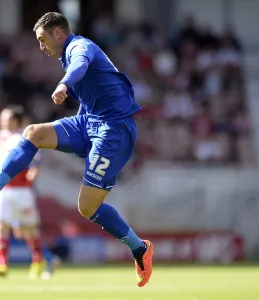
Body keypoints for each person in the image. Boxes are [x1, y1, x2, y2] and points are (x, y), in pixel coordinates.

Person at [0, 12, 154, 287]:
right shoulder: (66, 54)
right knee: (33, 132)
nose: (41, 46)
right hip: (89, 122)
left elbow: (80, 65)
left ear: (58, 33)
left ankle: (140, 249)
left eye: (42, 39)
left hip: (113, 130)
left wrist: (63, 84)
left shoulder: (79, 47)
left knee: (86, 207)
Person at [0, 106, 49, 279]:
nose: (2, 120)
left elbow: (35, 160)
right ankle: (3, 264)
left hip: (22, 189)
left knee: (28, 228)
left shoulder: (25, 137)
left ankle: (38, 260)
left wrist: (33, 172)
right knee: (2, 226)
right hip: (4, 189)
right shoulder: (1, 136)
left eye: (5, 118)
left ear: (15, 120)